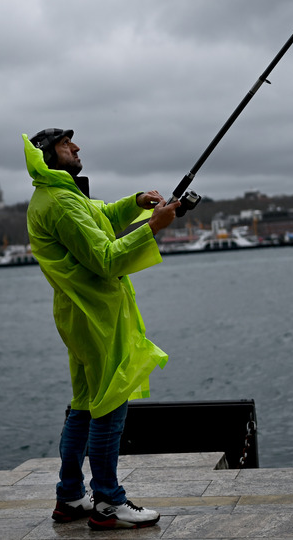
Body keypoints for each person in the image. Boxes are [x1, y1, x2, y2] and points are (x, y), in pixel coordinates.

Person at [23, 128, 180, 530]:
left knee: (84, 404)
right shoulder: (60, 202)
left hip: (79, 313)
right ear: (48, 156)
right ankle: (108, 502)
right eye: (65, 145)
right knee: (109, 404)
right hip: (94, 316)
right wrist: (152, 227)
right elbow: (107, 258)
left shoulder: (62, 195)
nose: (75, 148)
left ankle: (71, 496)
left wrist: (134, 204)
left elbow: (100, 220)